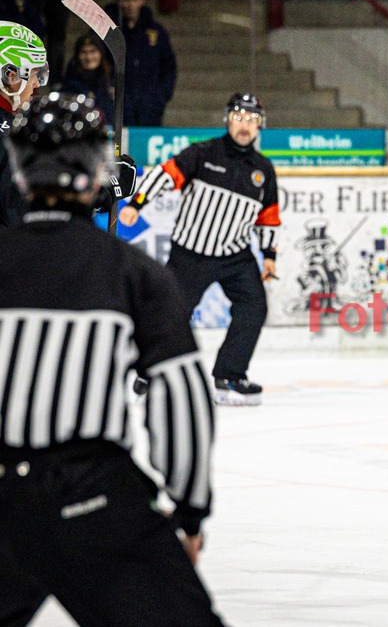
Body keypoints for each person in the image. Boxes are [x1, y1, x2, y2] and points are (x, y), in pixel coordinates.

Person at [0, 92, 222, 626]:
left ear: (18, 166)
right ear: (97, 165)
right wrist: (189, 511)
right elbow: (182, 400)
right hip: (95, 500)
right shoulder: (133, 273)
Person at [120, 93, 279, 406]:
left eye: (251, 119)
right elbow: (167, 174)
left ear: (260, 125)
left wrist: (270, 256)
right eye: (239, 117)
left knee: (254, 305)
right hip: (191, 254)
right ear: (227, 120)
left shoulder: (263, 170)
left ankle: (230, 375)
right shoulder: (204, 152)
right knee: (171, 313)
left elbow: (268, 217)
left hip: (236, 255)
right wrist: (137, 203)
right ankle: (148, 370)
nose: (244, 125)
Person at [105, 0, 176, 126]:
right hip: (118, 109)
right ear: (118, 1)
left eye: (135, 0)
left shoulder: (156, 32)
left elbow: (169, 66)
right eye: (126, 0)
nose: (130, 5)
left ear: (142, 0)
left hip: (150, 109)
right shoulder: (106, 31)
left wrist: (160, 96)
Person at [0, 19, 46, 229]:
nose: (37, 84)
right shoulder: (10, 133)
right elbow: (16, 213)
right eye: (34, 74)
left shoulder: (12, 125)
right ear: (10, 76)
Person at [58, 33, 115, 123]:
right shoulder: (70, 84)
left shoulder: (111, 80)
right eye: (84, 52)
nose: (89, 57)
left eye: (93, 51)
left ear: (101, 54)